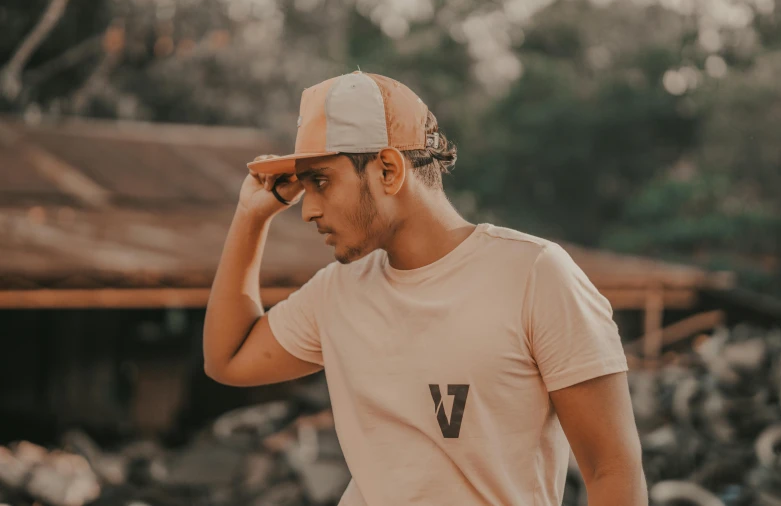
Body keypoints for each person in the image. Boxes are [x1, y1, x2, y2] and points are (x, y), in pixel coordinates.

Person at [203, 71, 647, 505]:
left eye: (320, 181)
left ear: (389, 170)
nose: (307, 210)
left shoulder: (535, 275)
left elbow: (613, 471)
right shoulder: (335, 291)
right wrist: (250, 216)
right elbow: (228, 360)